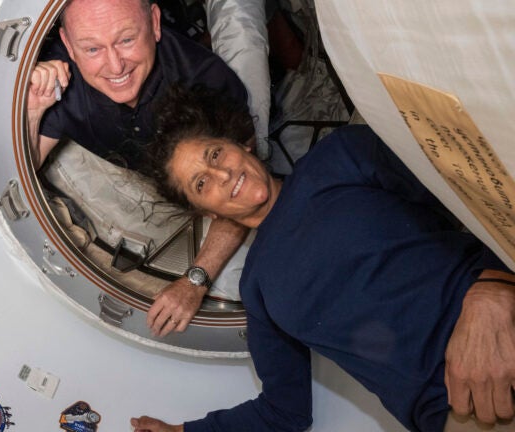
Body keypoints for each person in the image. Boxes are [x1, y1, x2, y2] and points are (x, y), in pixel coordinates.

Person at [130, 85, 515, 431]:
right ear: (206, 213)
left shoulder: (340, 156)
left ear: (240, 143)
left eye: (215, 154)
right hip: (462, 413)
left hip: (501, 325)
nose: (221, 174)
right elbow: (284, 412)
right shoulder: (258, 288)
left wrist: (494, 287)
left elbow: (476, 195)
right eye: (201, 183)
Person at [27, 0, 255, 336]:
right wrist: (33, 110)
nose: (114, 65)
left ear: (155, 23)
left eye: (126, 40)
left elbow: (247, 191)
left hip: (210, 168)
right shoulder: (61, 78)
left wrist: (196, 280)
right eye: (91, 48)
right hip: (141, 174)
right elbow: (25, 165)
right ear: (69, 46)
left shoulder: (205, 81)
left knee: (244, 36)